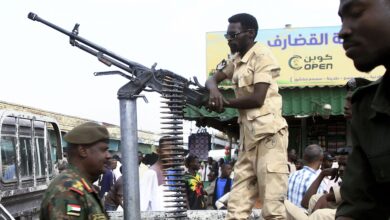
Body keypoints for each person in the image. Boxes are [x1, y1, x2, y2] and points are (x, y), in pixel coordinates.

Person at [205, 13, 289, 220]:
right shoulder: (237, 59)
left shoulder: (262, 56)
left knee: (272, 211)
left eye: (233, 35)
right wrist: (214, 90)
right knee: (235, 210)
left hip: (269, 137)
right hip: (248, 141)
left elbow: (258, 98)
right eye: (227, 35)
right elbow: (212, 79)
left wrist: (224, 102)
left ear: (250, 34)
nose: (229, 40)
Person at [336, 0, 390, 219]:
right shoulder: (367, 109)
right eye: (342, 19)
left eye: (356, 13)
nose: (342, 32)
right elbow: (358, 210)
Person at [40, 122, 111, 219]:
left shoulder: (82, 187)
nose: (108, 155)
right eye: (103, 150)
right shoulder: (68, 191)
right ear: (83, 151)